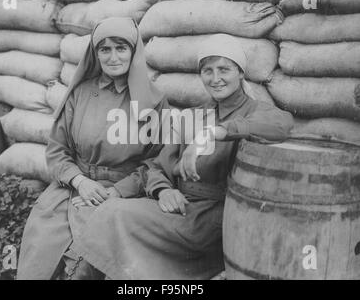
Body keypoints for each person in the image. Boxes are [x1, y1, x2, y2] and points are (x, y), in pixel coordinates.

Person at [68, 34, 294, 280]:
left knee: (116, 216)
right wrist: (164, 191)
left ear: (240, 73)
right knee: (112, 211)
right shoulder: (193, 116)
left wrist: (216, 132)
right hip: (183, 207)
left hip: (218, 218)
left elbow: (281, 124)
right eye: (207, 71)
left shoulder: (256, 111)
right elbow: (157, 166)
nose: (215, 79)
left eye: (224, 70)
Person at [16, 17, 169, 280]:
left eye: (121, 48)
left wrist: (118, 191)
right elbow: (57, 149)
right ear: (95, 53)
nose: (112, 57)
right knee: (40, 250)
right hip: (72, 188)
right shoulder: (81, 93)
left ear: (134, 51)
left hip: (122, 196)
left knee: (83, 264)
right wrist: (80, 181)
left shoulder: (152, 101)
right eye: (104, 49)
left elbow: (157, 162)